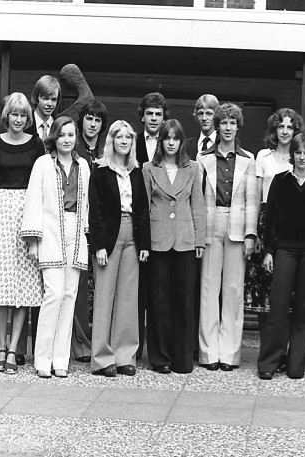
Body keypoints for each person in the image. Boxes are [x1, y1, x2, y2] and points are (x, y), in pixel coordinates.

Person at [257, 132, 305, 380]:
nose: (302, 157)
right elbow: (270, 218)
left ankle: (296, 364)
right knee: (278, 305)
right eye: (298, 152)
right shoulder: (280, 181)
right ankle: (269, 363)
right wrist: (269, 251)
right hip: (285, 249)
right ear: (292, 155)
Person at [21, 116, 90, 378]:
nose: (66, 140)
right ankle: (43, 358)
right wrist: (33, 239)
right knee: (54, 294)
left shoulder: (83, 165)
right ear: (54, 137)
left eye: (71, 135)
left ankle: (61, 359)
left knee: (70, 295)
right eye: (62, 135)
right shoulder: (43, 163)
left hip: (75, 231)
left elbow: (86, 203)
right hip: (50, 231)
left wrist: (87, 235)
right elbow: (34, 199)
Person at [0, 92, 45, 374]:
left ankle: (13, 349)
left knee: (25, 283)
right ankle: (0, 345)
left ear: (28, 118)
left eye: (23, 115)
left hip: (27, 211)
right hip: (1, 211)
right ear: (6, 116)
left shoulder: (36, 144)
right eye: (14, 114)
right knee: (1, 281)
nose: (18, 119)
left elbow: (41, 184)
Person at [197, 102, 257, 371]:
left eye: (233, 122)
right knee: (209, 289)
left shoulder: (248, 159)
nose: (228, 127)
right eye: (224, 123)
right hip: (211, 225)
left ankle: (230, 354)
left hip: (237, 226)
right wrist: (198, 235)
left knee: (233, 291)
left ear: (238, 126)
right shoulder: (203, 158)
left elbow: (252, 200)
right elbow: (198, 199)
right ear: (217, 126)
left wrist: (250, 234)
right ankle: (209, 353)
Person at [143, 119, 206, 374]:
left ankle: (182, 358)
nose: (171, 143)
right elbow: (144, 207)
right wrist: (144, 242)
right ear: (161, 141)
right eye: (167, 138)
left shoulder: (193, 168)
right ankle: (160, 358)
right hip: (158, 241)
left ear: (181, 142)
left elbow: (198, 206)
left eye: (175, 138)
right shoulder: (149, 168)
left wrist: (199, 240)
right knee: (159, 300)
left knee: (184, 300)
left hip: (185, 241)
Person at [88, 120, 149, 377]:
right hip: (108, 238)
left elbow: (143, 209)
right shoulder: (101, 170)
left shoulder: (136, 170)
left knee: (128, 298)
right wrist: (99, 246)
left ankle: (125, 356)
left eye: (128, 137)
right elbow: (95, 211)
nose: (124, 141)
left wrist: (144, 244)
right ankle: (102, 359)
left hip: (132, 236)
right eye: (119, 137)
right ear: (111, 140)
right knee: (104, 297)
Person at [245, 109, 301, 351]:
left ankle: (284, 348)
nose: (285, 131)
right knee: (262, 287)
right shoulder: (263, 156)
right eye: (281, 127)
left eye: (290, 127)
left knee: (287, 287)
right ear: (274, 130)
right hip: (265, 221)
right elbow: (256, 196)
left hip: (291, 222)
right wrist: (254, 231)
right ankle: (267, 347)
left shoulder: (299, 157)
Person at [15, 74, 62, 366]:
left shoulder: (58, 127)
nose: (49, 104)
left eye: (53, 99)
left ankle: (43, 347)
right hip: (25, 200)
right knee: (25, 277)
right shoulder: (24, 121)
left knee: (46, 284)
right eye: (45, 98)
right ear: (37, 98)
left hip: (51, 206)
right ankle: (19, 347)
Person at [70, 100, 108, 364]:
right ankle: (80, 344)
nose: (93, 124)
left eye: (98, 120)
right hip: (79, 224)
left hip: (104, 225)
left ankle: (101, 342)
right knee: (80, 287)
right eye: (89, 118)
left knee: (102, 286)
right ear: (81, 120)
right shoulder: (74, 149)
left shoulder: (107, 150)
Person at [134, 91, 168, 360]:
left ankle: (158, 352)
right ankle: (133, 350)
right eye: (150, 114)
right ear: (142, 116)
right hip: (135, 222)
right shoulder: (131, 142)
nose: (154, 118)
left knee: (158, 291)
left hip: (161, 225)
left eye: (158, 114)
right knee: (135, 292)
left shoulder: (171, 144)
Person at [182, 94, 220, 160]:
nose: (204, 118)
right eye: (200, 113)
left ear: (216, 115)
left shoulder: (225, 144)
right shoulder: (186, 145)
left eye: (209, 113)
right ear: (196, 116)